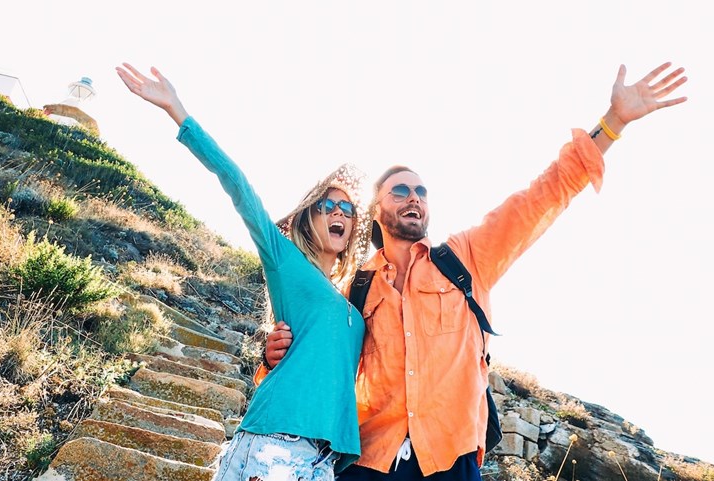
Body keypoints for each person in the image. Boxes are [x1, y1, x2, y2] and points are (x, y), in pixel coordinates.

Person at [264, 61, 688, 480]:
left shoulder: (467, 257)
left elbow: (543, 195)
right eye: (400, 190)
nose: (414, 197)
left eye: (421, 191)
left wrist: (611, 124)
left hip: (451, 459)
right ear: (377, 210)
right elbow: (313, 367)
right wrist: (273, 357)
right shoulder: (355, 290)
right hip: (369, 462)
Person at [116, 62, 374, 481]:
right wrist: (178, 112)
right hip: (277, 441)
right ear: (309, 217)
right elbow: (239, 187)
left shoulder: (349, 298)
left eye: (349, 209)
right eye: (329, 205)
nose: (340, 212)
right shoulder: (287, 261)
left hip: (320, 457)